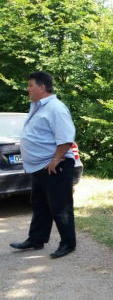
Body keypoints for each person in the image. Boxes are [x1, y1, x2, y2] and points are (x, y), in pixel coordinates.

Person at [10, 71, 77, 258]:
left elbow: (66, 138)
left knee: (60, 206)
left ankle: (68, 244)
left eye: (30, 85)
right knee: (40, 204)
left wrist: (55, 160)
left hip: (55, 165)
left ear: (42, 87)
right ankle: (36, 239)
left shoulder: (56, 108)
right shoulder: (37, 106)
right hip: (39, 166)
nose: (27, 88)